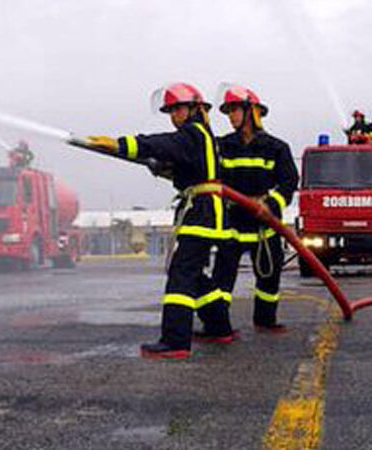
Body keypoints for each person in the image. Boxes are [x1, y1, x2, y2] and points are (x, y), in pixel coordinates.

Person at [81, 83, 233, 359]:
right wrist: (161, 167)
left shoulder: (192, 133)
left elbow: (160, 143)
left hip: (201, 211)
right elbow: (183, 166)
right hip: (205, 210)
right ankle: (218, 326)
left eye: (178, 109)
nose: (174, 116)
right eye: (171, 111)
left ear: (195, 108)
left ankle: (175, 342)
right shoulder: (202, 137)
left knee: (181, 274)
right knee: (193, 272)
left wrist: (121, 144)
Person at [206, 84, 298, 335]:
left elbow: (289, 183)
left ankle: (265, 321)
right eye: (228, 112)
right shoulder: (221, 146)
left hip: (264, 226)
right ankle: (218, 325)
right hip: (232, 224)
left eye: (235, 109)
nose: (231, 116)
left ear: (252, 112)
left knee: (269, 277)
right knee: (222, 280)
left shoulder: (277, 148)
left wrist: (269, 204)